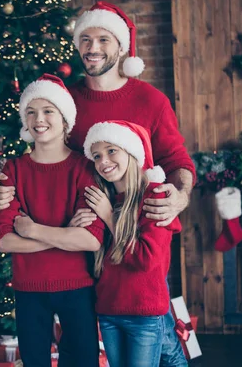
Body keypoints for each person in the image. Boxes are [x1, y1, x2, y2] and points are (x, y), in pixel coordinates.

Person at [0, 1, 194, 366]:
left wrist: (179, 196)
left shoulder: (151, 100)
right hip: (86, 247)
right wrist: (1, 187)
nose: (93, 48)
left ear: (122, 47)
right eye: (85, 38)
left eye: (103, 38)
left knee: (152, 329)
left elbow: (178, 162)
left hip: (137, 230)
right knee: (105, 339)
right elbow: (41, 156)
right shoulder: (66, 101)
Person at [0, 74, 106, 367]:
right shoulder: (13, 170)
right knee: (34, 362)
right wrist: (65, 234)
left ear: (65, 118)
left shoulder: (84, 168)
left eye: (47, 111)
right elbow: (3, 239)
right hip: (29, 288)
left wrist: (33, 230)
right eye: (30, 112)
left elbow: (90, 239)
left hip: (77, 286)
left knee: (82, 361)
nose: (38, 119)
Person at [83, 120, 181, 367]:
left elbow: (146, 259)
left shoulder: (155, 196)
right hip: (108, 311)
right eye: (97, 155)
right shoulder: (104, 199)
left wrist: (108, 217)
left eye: (111, 150)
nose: (103, 161)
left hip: (144, 314)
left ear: (131, 152)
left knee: (172, 360)